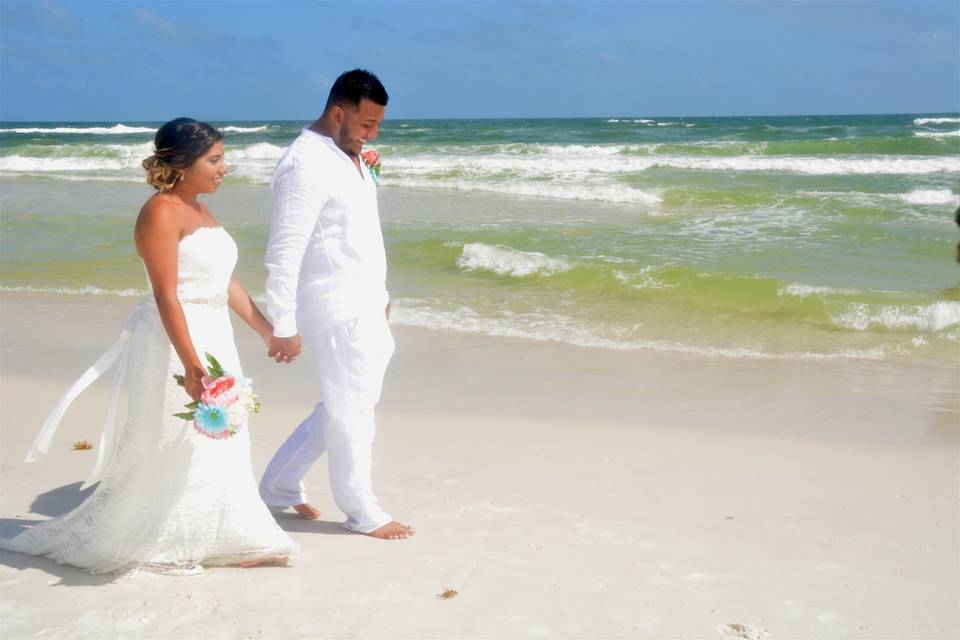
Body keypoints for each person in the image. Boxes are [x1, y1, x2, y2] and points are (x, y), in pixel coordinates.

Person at [0, 118, 296, 575]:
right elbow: (167, 295)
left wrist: (265, 329)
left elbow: (224, 281)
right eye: (214, 159)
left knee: (222, 438)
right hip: (177, 340)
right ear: (180, 163)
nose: (225, 167)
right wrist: (192, 365)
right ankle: (164, 541)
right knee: (176, 439)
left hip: (215, 332)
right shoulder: (160, 212)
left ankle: (228, 535)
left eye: (222, 158)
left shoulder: (200, 209)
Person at [259, 69, 414, 540]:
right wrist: (281, 323)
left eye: (378, 126)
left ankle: (278, 485)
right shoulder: (305, 164)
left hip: (364, 301)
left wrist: (381, 295)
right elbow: (284, 250)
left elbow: (361, 233)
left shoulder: (351, 155)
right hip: (334, 305)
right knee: (352, 412)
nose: (372, 134)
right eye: (366, 124)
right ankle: (361, 509)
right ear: (337, 112)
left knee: (345, 403)